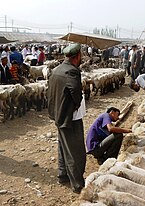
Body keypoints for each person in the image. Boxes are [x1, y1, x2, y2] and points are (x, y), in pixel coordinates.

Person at [47, 43, 86, 194]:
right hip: (71, 117)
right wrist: (76, 103)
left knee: (63, 146)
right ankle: (77, 184)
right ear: (77, 56)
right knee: (75, 151)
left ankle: (62, 175)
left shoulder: (56, 70)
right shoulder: (72, 71)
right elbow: (75, 92)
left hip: (58, 114)